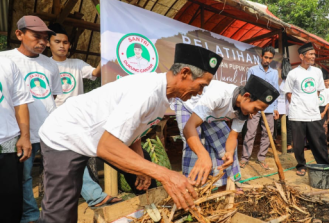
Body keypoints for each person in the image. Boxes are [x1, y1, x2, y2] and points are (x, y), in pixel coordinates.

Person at [37, 44, 223, 222]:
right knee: (61, 210)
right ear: (185, 73)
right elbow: (107, 146)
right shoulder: (147, 92)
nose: (200, 92)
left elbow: (134, 128)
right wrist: (166, 174)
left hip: (94, 138)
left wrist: (140, 163)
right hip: (65, 135)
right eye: (201, 85)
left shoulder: (164, 95)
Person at [47, 23, 120, 207]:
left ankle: (92, 196)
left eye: (65, 42)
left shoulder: (77, 64)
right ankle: (94, 196)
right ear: (49, 44)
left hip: (77, 119)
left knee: (74, 157)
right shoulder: (44, 65)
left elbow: (95, 72)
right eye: (57, 42)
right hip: (52, 119)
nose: (62, 45)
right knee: (68, 157)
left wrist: (105, 54)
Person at [0, 16, 63, 223]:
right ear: (19, 34)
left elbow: (52, 96)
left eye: (45, 38)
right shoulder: (6, 60)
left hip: (50, 129)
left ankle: (57, 212)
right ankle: (30, 215)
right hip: (20, 133)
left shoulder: (51, 65)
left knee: (60, 171)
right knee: (24, 177)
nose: (43, 42)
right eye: (37, 36)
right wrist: (23, 133)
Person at [181, 75, 279, 187]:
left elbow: (233, 136)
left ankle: (226, 186)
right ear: (246, 97)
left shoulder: (243, 110)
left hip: (212, 115)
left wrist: (230, 153)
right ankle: (191, 189)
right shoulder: (219, 95)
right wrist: (202, 155)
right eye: (256, 109)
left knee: (225, 149)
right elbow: (189, 127)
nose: (255, 113)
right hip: (189, 108)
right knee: (196, 148)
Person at [284, 42, 329, 179]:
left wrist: (310, 104)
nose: (314, 56)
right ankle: (301, 165)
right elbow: (288, 93)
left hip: (313, 114)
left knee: (319, 142)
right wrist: (298, 105)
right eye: (311, 54)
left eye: (314, 54)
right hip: (297, 114)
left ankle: (326, 166)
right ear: (301, 56)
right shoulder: (293, 73)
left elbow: (317, 91)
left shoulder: (317, 72)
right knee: (299, 144)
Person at [0, 57, 34, 223]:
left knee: (10, 203)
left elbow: (20, 102)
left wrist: (25, 136)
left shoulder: (6, 63)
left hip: (8, 142)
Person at [241, 46, 279, 170]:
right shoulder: (252, 70)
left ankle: (261, 158)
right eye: (266, 57)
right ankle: (245, 158)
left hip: (268, 108)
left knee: (268, 133)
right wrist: (249, 108)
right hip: (254, 107)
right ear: (261, 57)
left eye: (270, 58)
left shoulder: (274, 73)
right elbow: (248, 89)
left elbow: (275, 91)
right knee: (250, 132)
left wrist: (275, 108)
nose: (267, 60)